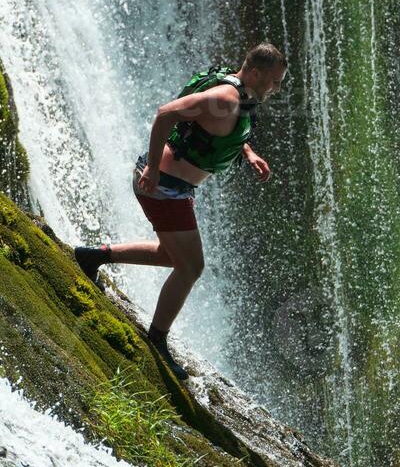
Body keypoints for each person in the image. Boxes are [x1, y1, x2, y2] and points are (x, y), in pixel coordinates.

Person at [74, 43, 287, 379]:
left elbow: (218, 128)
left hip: (175, 188)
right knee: (191, 267)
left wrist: (248, 153)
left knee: (172, 255)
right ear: (256, 73)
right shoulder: (227, 97)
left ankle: (93, 256)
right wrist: (153, 171)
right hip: (163, 186)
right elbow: (166, 113)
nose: (276, 89)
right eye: (274, 81)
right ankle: (156, 339)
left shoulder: (238, 93)